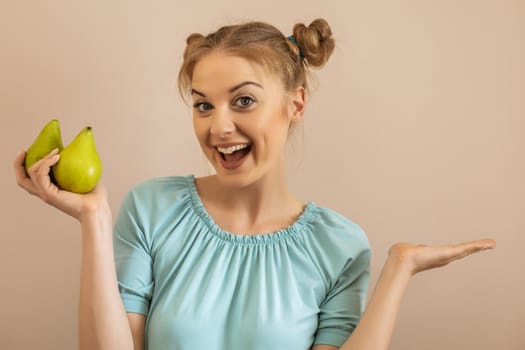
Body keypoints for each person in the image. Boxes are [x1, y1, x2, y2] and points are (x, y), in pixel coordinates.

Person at [14, 18, 495, 350]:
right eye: (203, 105)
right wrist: (93, 219)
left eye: (242, 101)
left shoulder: (340, 244)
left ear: (296, 104)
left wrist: (399, 268)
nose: (217, 127)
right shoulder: (151, 208)